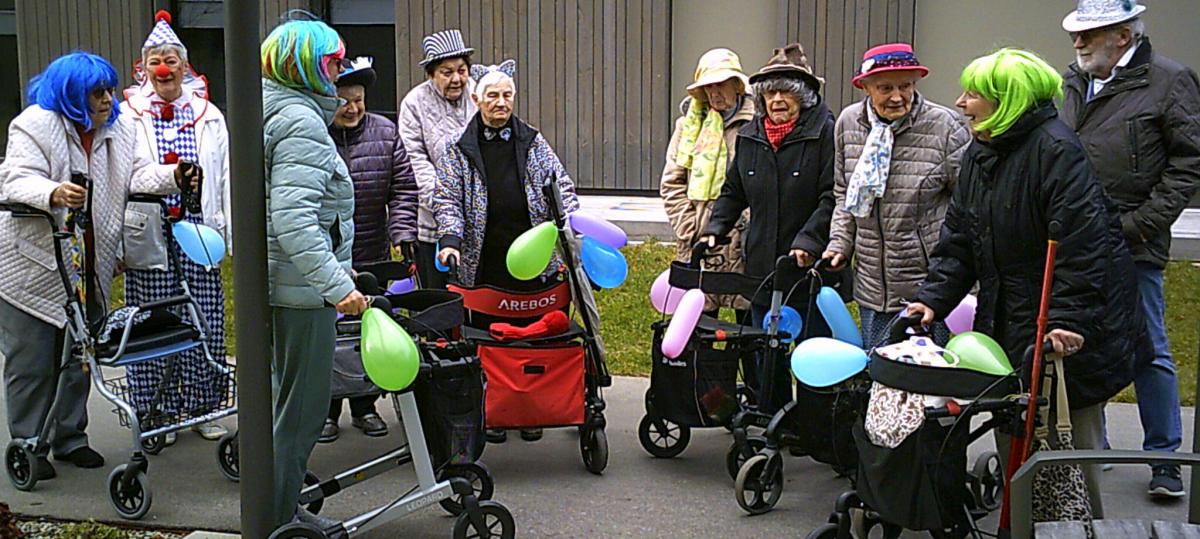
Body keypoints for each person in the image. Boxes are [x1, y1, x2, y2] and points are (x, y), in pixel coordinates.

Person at [906, 48, 1149, 519]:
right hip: (1008, 318)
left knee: (1067, 453)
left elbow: (1085, 250)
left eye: (974, 93)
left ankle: (1080, 530)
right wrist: (932, 298)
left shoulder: (1056, 152)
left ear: (1008, 99)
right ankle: (1021, 526)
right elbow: (960, 239)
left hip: (1065, 334)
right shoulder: (981, 152)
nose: (960, 101)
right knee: (1014, 433)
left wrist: (1067, 321)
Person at [0, 51, 198, 481]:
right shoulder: (33, 124)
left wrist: (173, 177)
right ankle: (29, 444)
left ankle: (71, 438)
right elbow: (15, 179)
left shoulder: (121, 128)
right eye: (98, 93)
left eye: (109, 90)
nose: (109, 99)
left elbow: (137, 175)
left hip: (88, 266)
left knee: (79, 358)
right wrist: (53, 192)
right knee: (32, 363)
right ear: (72, 95)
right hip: (30, 268)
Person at [1059, 0, 1200, 499]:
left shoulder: (1169, 80)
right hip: (1079, 237)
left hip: (1133, 239)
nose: (1077, 43)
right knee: (1080, 340)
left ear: (1122, 36)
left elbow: (1189, 162)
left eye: (1089, 35)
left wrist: (1142, 224)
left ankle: (1163, 459)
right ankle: (1094, 450)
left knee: (1149, 347)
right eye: (1077, 34)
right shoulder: (1073, 81)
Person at [433, 60, 579, 443]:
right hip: (483, 257)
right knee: (487, 334)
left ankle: (529, 409)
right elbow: (446, 199)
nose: (501, 102)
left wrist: (573, 222)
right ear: (477, 99)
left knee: (531, 330)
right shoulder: (457, 149)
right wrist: (450, 240)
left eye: (508, 95)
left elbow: (560, 183)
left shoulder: (532, 140)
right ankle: (494, 403)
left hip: (532, 255)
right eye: (493, 95)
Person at [260, 19, 365, 529]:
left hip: (285, 285)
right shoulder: (300, 121)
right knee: (300, 416)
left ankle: (279, 510)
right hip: (302, 294)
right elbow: (295, 220)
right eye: (331, 61)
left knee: (285, 409)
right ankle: (280, 521)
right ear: (302, 63)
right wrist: (338, 285)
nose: (338, 72)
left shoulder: (276, 110)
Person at [701, 43, 837, 415]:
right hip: (763, 265)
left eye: (787, 92)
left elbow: (832, 196)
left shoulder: (825, 132)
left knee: (811, 350)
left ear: (804, 97)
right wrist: (716, 228)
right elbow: (733, 190)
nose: (778, 99)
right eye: (771, 92)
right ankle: (774, 418)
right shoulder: (751, 135)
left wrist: (809, 240)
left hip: (809, 269)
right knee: (766, 348)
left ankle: (814, 424)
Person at [121, 9, 232, 445]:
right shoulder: (129, 114)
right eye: (155, 61)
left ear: (185, 66)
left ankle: (203, 406)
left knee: (204, 316)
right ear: (144, 68)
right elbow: (126, 174)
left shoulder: (208, 113)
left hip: (198, 227)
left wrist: (227, 231)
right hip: (147, 231)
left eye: (171, 60)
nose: (164, 69)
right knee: (151, 321)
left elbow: (223, 176)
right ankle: (155, 411)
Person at [822, 43, 970, 348]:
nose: (897, 96)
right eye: (885, 87)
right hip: (872, 282)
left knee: (924, 378)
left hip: (926, 285)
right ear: (865, 87)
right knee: (878, 373)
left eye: (906, 86)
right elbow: (844, 194)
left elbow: (967, 205)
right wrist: (840, 243)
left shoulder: (945, 126)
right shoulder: (848, 124)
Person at [321, 55, 418, 443]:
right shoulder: (316, 135)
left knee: (370, 329)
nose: (353, 107)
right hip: (325, 255)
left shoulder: (385, 132)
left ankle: (365, 405)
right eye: (344, 99)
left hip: (372, 248)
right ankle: (327, 408)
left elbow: (404, 189)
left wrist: (402, 232)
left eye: (358, 99)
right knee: (329, 333)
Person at [660, 48, 754, 321]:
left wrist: (748, 225)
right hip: (697, 240)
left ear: (737, 85)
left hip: (742, 242)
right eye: (708, 86)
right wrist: (690, 227)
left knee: (747, 330)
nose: (714, 92)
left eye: (720, 84)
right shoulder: (688, 126)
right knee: (699, 328)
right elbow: (672, 183)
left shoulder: (755, 125)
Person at [399, 29, 477, 291]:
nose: (457, 79)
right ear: (431, 74)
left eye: (462, 70)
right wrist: (447, 207)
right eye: (446, 72)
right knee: (436, 294)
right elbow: (415, 161)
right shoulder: (414, 104)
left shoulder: (478, 94)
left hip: (479, 217)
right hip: (432, 218)